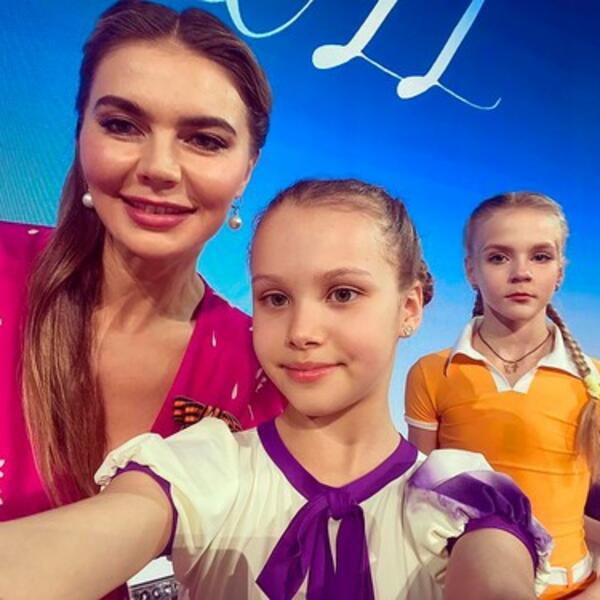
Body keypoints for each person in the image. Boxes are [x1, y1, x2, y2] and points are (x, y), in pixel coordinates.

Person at [0, 179, 552, 599]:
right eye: (275, 299)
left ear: (409, 308)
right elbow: (112, 523)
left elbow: (494, 573)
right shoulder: (207, 466)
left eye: (342, 294)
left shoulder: (456, 493)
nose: (301, 332)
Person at [0, 1, 284, 522]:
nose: (159, 168)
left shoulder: (265, 369)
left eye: (204, 140)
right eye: (122, 125)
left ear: (247, 169)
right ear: (81, 134)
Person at [405, 192, 600, 598]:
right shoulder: (433, 374)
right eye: (498, 257)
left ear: (560, 272)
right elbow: (419, 499)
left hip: (576, 589)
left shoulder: (592, 380)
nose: (521, 273)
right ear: (471, 271)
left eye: (540, 257)